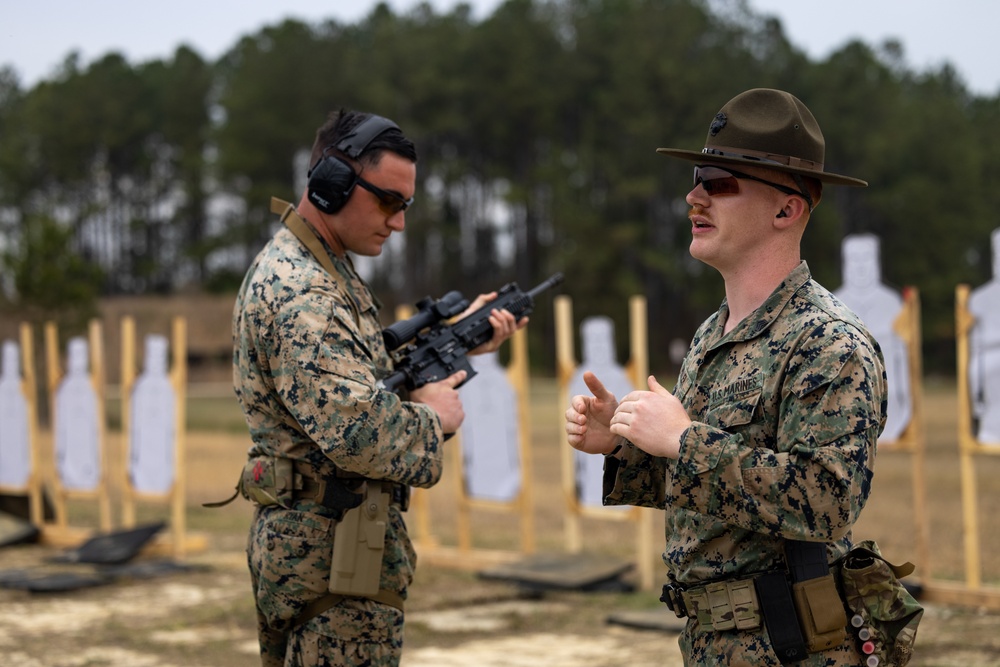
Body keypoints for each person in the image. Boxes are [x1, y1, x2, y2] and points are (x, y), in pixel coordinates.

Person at [565, 88, 889, 665]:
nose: (693, 195)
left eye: (718, 181)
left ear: (786, 210)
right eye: (696, 177)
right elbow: (712, 495)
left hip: (793, 646)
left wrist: (684, 440)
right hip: (717, 642)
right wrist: (626, 446)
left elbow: (828, 500)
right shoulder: (713, 333)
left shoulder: (827, 341)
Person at [232, 108, 524, 667]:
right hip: (334, 562)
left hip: (317, 547)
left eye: (405, 205)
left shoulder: (315, 271)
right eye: (389, 201)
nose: (398, 222)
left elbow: (352, 372)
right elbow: (357, 432)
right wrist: (433, 415)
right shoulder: (304, 294)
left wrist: (459, 343)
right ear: (332, 185)